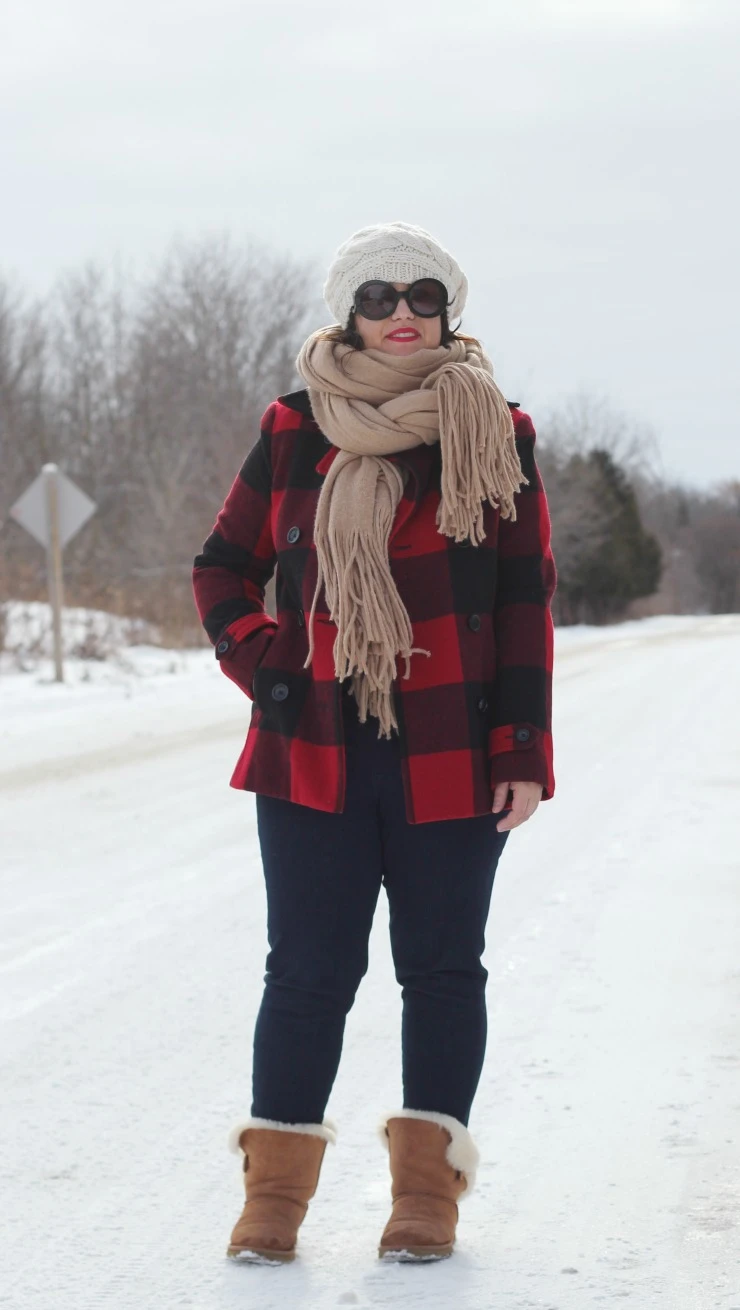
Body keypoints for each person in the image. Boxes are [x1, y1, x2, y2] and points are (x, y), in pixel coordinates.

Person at [192, 221, 557, 1265]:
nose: (402, 311)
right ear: (346, 310)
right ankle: (273, 1199)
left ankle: (423, 1201)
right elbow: (220, 565)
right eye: (378, 295)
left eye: (423, 294)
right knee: (306, 968)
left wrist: (522, 748)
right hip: (313, 743)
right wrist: (267, 664)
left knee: (441, 969)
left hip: (454, 742)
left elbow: (527, 596)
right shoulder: (293, 429)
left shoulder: (496, 431)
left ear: (449, 309)